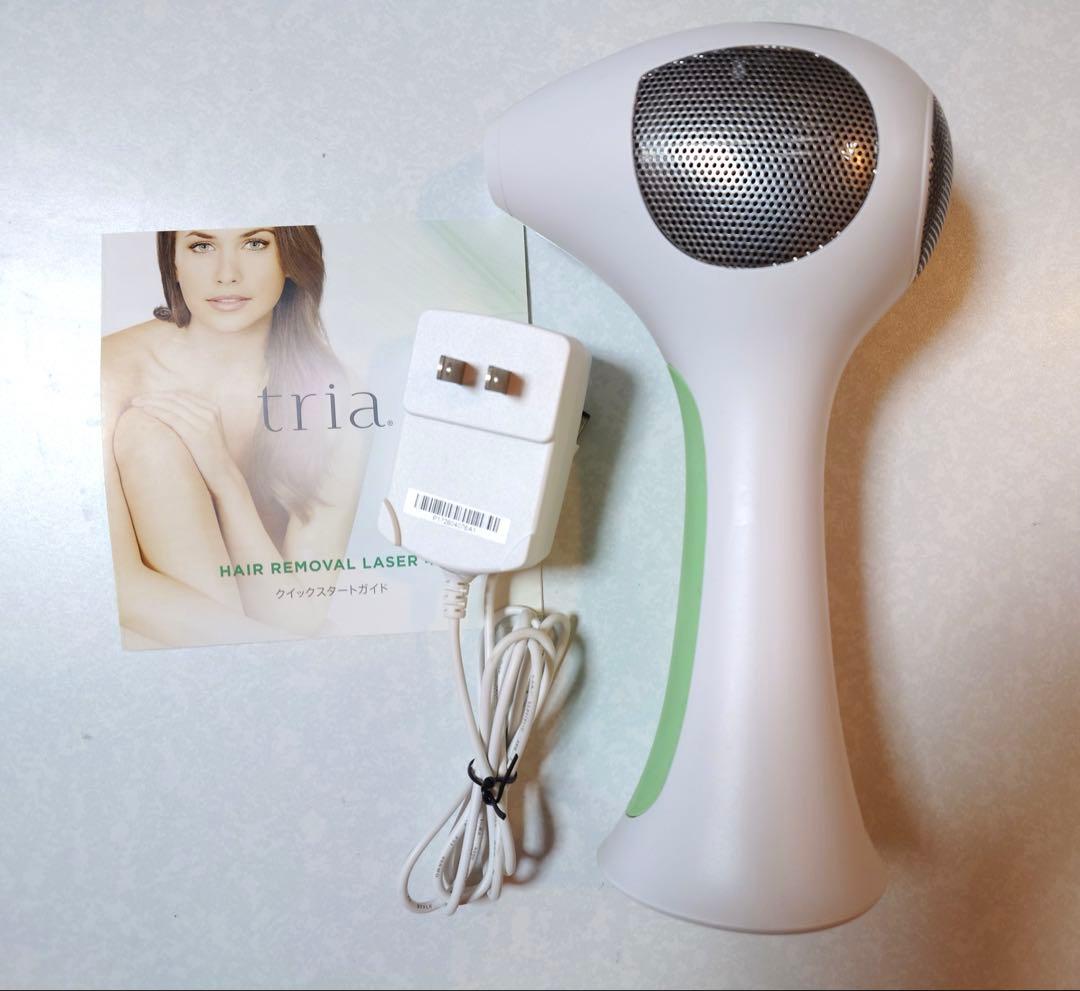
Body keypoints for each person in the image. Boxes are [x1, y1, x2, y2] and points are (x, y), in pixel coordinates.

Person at [101, 226, 367, 648]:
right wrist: (274, 661)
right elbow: (121, 588)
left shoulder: (336, 393)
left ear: (291, 257)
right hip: (160, 631)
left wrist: (226, 481)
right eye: (202, 246)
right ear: (174, 260)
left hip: (260, 629)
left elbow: (300, 612)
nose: (227, 273)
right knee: (147, 434)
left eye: (255, 243)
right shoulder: (111, 370)